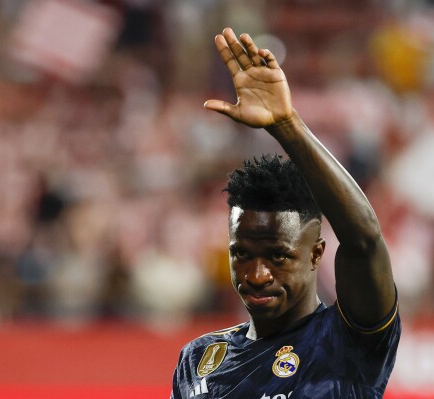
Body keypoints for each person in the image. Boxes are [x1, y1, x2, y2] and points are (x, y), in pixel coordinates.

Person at [170, 28, 400, 399]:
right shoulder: (197, 360)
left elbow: (364, 241)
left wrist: (287, 126)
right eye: (241, 254)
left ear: (316, 253)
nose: (257, 275)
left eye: (278, 255)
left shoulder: (348, 342)